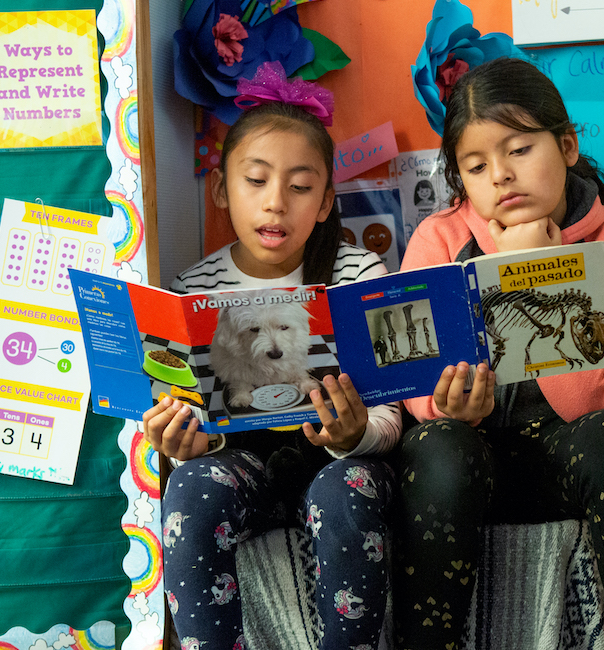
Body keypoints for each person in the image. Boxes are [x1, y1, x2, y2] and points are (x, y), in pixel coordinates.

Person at [393, 57, 604, 650]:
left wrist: (528, 272)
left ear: (568, 146)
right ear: (460, 180)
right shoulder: (439, 239)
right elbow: (412, 388)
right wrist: (445, 405)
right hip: (461, 464)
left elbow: (587, 400)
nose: (500, 175)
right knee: (439, 444)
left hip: (560, 456)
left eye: (519, 149)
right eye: (476, 166)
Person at [144, 62, 399, 650]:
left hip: (340, 461)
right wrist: (181, 443)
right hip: (243, 463)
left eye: (301, 186)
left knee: (344, 488)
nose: (276, 203)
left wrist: (355, 432)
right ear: (220, 189)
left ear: (327, 200)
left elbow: (390, 421)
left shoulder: (358, 273)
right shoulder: (192, 290)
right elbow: (184, 415)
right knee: (189, 490)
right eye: (255, 180)